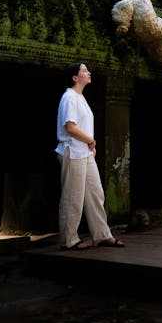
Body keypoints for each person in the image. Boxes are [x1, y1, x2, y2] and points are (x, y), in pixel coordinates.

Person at [55, 62, 125, 250]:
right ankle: (69, 239)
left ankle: (102, 235)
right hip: (73, 152)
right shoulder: (69, 97)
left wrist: (89, 146)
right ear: (75, 78)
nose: (89, 72)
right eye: (84, 70)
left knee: (95, 193)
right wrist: (91, 142)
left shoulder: (80, 97)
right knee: (73, 197)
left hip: (84, 153)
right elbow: (70, 127)